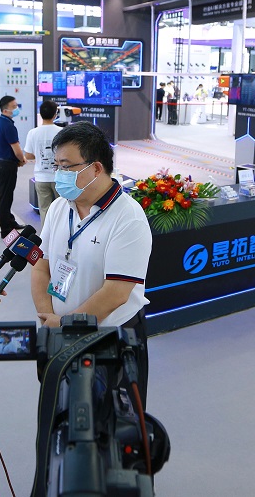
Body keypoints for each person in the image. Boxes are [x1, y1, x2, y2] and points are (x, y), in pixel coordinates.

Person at [31, 122, 152, 403]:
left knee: (110, 419)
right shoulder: (60, 207)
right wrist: (49, 319)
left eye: (66, 167)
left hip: (110, 338)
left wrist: (65, 324)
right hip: (60, 332)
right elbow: (41, 265)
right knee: (60, 411)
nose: (59, 175)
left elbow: (116, 293)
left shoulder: (128, 218)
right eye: (56, 166)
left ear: (96, 168)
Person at [0, 95, 27, 239]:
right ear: (5, 110)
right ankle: (6, 229)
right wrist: (22, 159)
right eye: (14, 107)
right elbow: (17, 150)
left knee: (6, 195)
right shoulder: (8, 126)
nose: (16, 109)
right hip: (6, 165)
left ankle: (10, 221)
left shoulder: (0, 122)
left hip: (2, 164)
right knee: (5, 198)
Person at [24, 100, 62, 226]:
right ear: (55, 114)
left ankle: (46, 235)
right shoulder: (62, 132)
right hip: (59, 178)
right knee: (61, 209)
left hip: (41, 178)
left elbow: (28, 155)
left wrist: (40, 155)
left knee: (44, 209)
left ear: (40, 114)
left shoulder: (33, 132)